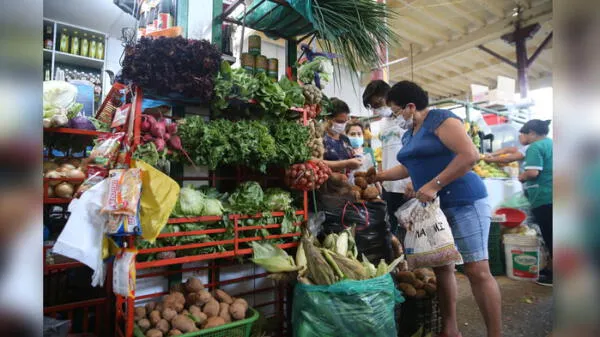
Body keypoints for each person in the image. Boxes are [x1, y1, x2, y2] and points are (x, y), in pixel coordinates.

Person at [375, 81, 501, 337]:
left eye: (397, 111)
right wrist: (379, 177)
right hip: (435, 210)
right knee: (443, 268)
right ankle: (450, 329)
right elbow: (409, 166)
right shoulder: (411, 133)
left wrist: (434, 184)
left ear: (411, 106)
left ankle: (495, 333)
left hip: (465, 201)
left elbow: (469, 155)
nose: (396, 117)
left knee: (477, 269)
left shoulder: (440, 120)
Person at [363, 80, 412, 238]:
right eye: (372, 106)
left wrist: (415, 181)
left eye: (378, 103)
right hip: (389, 188)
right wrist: (380, 181)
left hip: (409, 186)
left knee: (413, 233)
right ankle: (398, 262)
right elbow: (383, 155)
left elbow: (416, 153)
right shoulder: (382, 125)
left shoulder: (407, 119)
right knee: (390, 233)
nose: (377, 109)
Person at [518, 119, 553, 286]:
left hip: (545, 196)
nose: (522, 137)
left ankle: (553, 274)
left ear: (531, 132)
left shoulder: (535, 147)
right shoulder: (551, 144)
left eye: (523, 134)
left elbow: (532, 172)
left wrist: (522, 176)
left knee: (550, 235)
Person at [322, 97, 362, 173]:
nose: (343, 125)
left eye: (345, 121)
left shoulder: (345, 139)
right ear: (327, 118)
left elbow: (351, 157)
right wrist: (345, 164)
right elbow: (317, 163)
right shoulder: (320, 139)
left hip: (346, 182)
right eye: (340, 122)